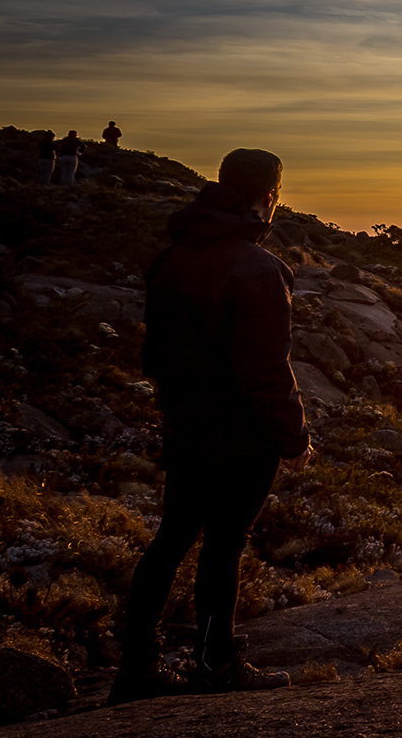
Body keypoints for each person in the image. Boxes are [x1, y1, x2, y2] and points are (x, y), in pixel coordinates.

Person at [111, 148, 310, 705]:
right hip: (242, 437)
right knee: (224, 547)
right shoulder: (259, 269)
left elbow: (154, 353)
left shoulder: (172, 258)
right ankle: (216, 665)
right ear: (268, 196)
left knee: (172, 538)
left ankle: (138, 667)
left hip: (186, 426)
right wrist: (293, 438)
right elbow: (266, 371)